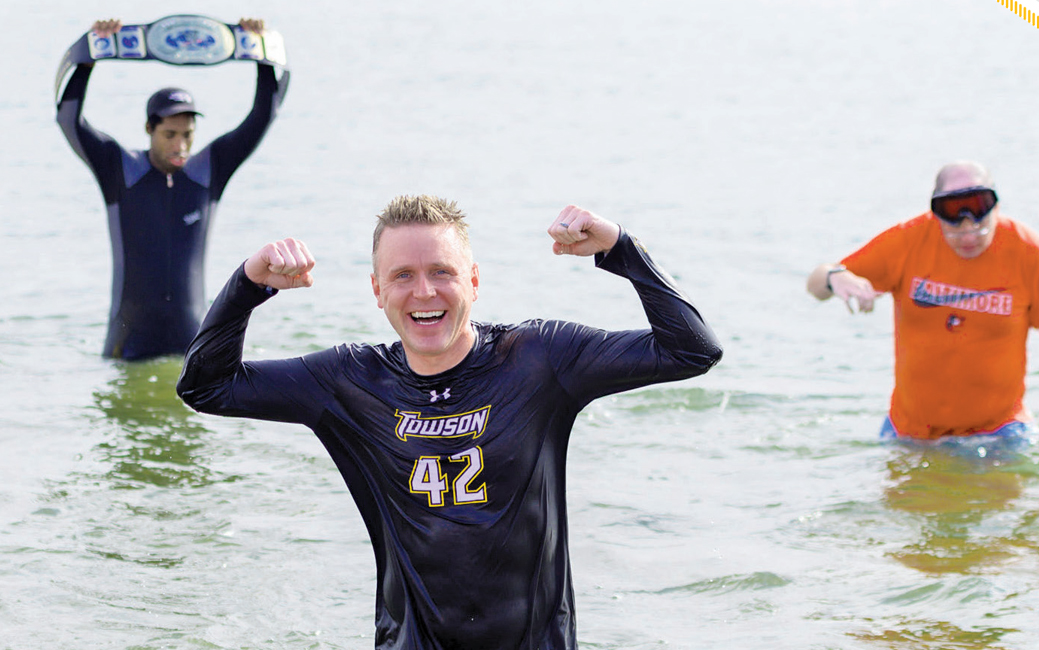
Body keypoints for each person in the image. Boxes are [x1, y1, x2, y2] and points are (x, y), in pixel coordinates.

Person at [177, 196, 723, 649]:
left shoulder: (538, 359)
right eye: (403, 276)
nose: (424, 292)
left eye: (442, 272)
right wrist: (250, 285)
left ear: (474, 281)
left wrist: (620, 247)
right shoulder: (349, 382)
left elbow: (692, 350)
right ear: (377, 291)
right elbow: (206, 386)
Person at [56, 18, 288, 360]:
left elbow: (263, 115)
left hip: (191, 338)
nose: (180, 145)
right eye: (169, 135)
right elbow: (69, 120)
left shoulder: (209, 170)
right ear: (149, 128)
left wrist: (261, 53)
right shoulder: (119, 169)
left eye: (188, 135)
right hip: (128, 342)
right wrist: (89, 59)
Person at [807, 161, 1039, 440]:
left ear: (996, 209)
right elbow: (815, 284)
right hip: (912, 431)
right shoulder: (909, 240)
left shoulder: (1026, 252)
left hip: (998, 432)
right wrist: (835, 276)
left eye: (979, 227)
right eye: (955, 229)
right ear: (936, 215)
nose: (967, 237)